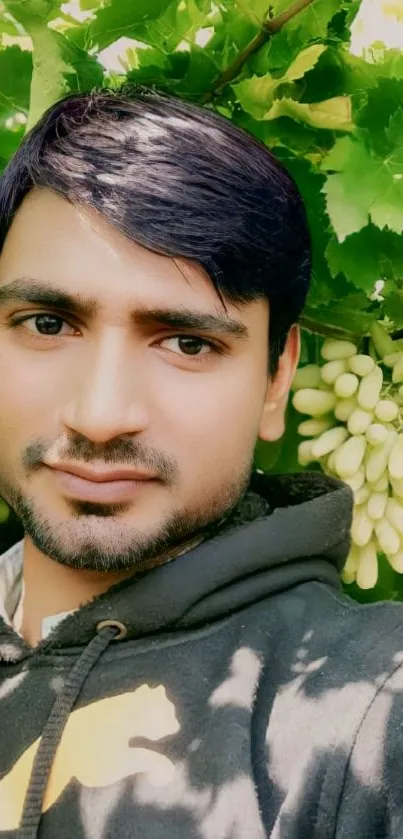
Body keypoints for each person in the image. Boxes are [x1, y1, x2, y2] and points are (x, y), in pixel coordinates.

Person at [0, 85, 400, 839]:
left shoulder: (373, 703)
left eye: (187, 342)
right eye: (47, 323)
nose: (100, 413)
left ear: (277, 377)